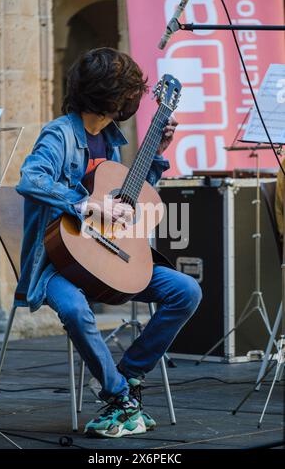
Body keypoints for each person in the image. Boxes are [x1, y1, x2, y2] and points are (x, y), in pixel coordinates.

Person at [15, 48, 202, 438]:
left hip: (106, 257)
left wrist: (156, 157)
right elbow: (31, 178)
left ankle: (129, 374)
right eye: (130, 93)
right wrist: (86, 204)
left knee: (186, 290)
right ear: (113, 98)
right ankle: (118, 397)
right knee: (77, 310)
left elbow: (129, 197)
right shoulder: (60, 134)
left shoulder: (110, 140)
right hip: (56, 260)